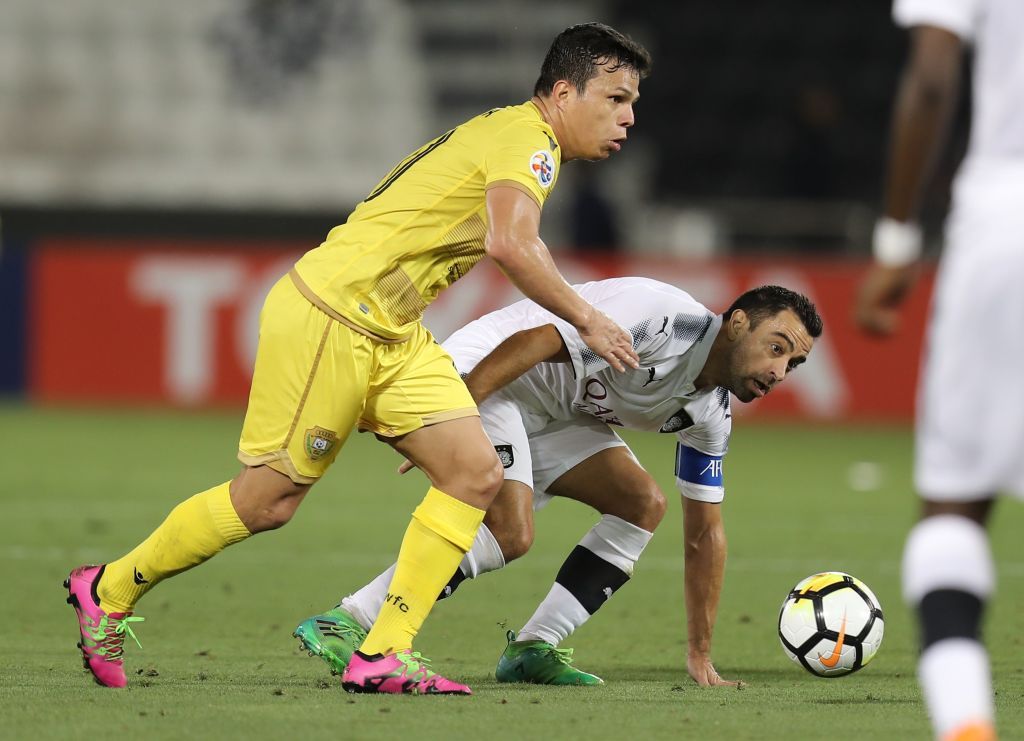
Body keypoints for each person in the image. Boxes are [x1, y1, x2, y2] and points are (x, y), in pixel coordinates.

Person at [65, 22, 652, 696]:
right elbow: (512, 245)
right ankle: (107, 588)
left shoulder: (515, 137)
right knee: (267, 501)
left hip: (392, 330)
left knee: (474, 470)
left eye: (632, 102)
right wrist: (589, 318)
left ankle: (383, 652)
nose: (628, 116)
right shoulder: (528, 141)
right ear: (562, 91)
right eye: (614, 97)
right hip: (335, 315)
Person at [295, 280, 821, 686]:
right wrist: (454, 411)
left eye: (793, 364)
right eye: (776, 348)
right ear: (736, 323)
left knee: (642, 503)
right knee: (510, 532)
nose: (780, 371)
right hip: (496, 370)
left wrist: (700, 653)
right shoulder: (664, 321)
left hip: (557, 409)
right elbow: (535, 340)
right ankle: (350, 620)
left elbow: (705, 533)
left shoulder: (711, 413)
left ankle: (532, 650)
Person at [855, 1, 1023, 738]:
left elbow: (931, 75)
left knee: (954, 509)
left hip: (1006, 222)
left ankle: (966, 723)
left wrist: (896, 240)